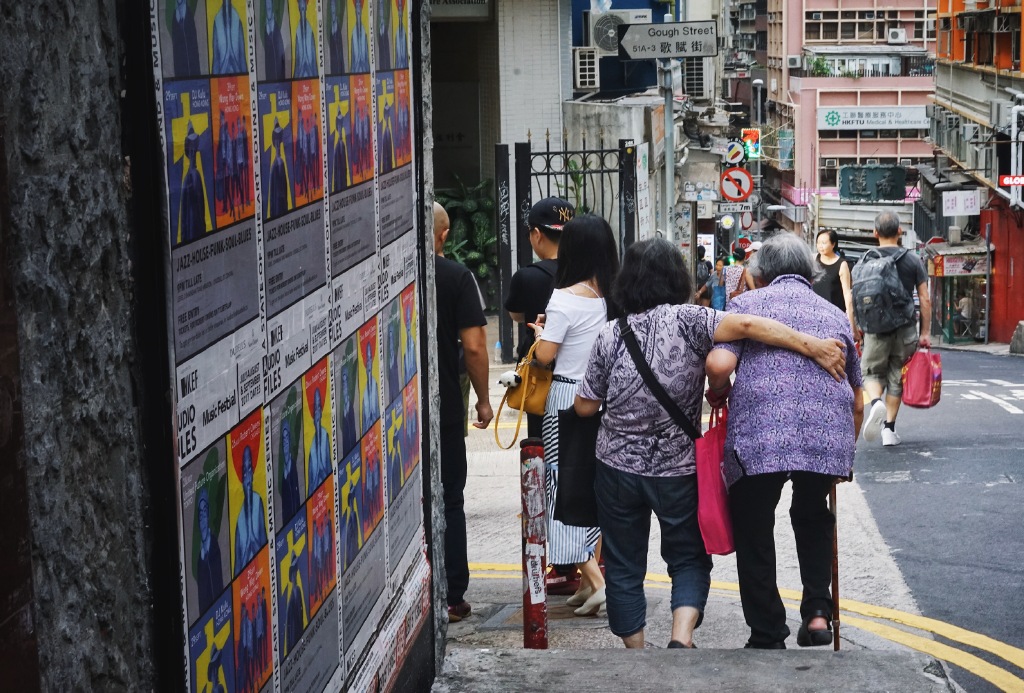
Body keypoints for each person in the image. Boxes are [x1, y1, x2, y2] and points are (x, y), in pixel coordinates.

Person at [575, 237, 848, 649]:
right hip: (678, 469)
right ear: (676, 278)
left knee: (624, 564)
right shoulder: (693, 320)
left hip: (616, 468)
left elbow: (583, 406)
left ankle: (635, 654)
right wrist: (813, 347)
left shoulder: (611, 334)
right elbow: (751, 328)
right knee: (686, 557)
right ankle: (681, 639)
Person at [705, 233, 862, 650]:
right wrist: (845, 452)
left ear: (759, 274)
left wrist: (716, 392)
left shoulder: (743, 306)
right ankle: (816, 615)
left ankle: (768, 630)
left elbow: (720, 368)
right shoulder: (833, 316)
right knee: (812, 514)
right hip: (826, 432)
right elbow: (858, 395)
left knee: (754, 522)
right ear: (809, 272)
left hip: (761, 433)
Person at [528, 213, 619, 617]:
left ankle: (595, 580)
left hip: (565, 395)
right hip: (601, 397)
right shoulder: (612, 297)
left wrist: (540, 337)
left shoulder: (564, 296)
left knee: (560, 484)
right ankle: (587, 582)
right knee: (587, 483)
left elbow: (547, 357)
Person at [433, 202, 493, 622]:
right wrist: (484, 399)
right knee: (449, 497)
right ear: (445, 233)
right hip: (443, 408)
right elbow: (473, 345)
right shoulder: (456, 277)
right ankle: (452, 596)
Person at [858, 211, 931, 446]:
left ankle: (876, 402)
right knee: (896, 376)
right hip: (906, 329)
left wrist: (855, 327)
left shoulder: (866, 260)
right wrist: (925, 334)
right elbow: (925, 299)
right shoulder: (912, 261)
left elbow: (853, 298)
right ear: (900, 231)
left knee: (871, 372)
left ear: (875, 233)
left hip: (875, 328)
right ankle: (889, 430)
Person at [505, 196, 574, 440]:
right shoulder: (588, 276)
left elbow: (516, 315)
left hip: (539, 378)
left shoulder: (526, 277)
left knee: (540, 443)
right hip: (579, 374)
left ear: (536, 234)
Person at [813, 229, 857, 343]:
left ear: (833, 244)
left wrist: (851, 325)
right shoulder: (813, 260)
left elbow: (847, 294)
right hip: (815, 314)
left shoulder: (841, 265)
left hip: (834, 317)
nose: (820, 246)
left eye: (824, 243)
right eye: (818, 242)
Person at [234, 446, 268, 574]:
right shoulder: (239, 522)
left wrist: (252, 539)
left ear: (253, 474)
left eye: (249, 469)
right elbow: (237, 571)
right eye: (244, 472)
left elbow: (265, 552)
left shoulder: (258, 502)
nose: (247, 477)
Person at [212, 0, 246, 75]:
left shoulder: (237, 19)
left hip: (237, 78)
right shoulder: (217, 21)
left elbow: (242, 58)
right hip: (222, 79)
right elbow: (216, 60)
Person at [307, 388, 331, 490]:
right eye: (315, 408)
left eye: (319, 407)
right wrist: (317, 472)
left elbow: (330, 473)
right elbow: (310, 487)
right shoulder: (311, 448)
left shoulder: (325, 436)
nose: (317, 412)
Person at [293, 0, 317, 78]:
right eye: (300, 2)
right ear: (298, 6)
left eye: (303, 2)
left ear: (306, 6)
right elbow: (296, 62)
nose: (302, 4)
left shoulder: (310, 31)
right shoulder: (296, 32)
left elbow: (314, 63)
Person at [262, 0, 286, 81]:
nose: (268, 4)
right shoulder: (264, 32)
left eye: (270, 2)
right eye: (266, 2)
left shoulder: (278, 33)